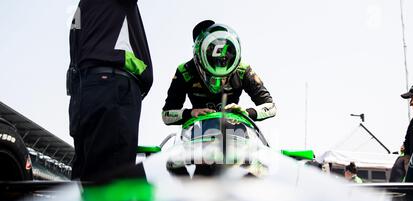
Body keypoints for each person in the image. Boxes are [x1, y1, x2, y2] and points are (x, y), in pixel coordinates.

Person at [67, 0, 153, 181]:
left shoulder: (80, 9)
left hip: (84, 93)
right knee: (111, 179)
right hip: (112, 86)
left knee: (86, 177)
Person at [161, 20, 276, 126]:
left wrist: (245, 113)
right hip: (198, 136)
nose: (219, 83)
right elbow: (166, 115)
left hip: (234, 133)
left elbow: (271, 107)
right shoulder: (185, 71)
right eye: (212, 77)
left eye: (226, 77)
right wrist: (191, 113)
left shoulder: (242, 70)